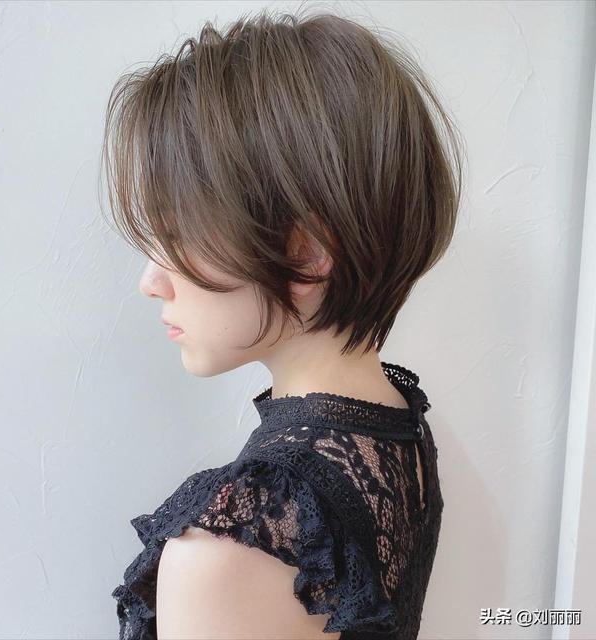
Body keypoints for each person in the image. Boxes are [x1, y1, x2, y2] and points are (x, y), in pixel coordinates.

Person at [102, 6, 464, 639]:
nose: (150, 280)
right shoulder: (390, 424)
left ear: (307, 250)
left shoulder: (225, 558)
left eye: (175, 234)